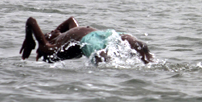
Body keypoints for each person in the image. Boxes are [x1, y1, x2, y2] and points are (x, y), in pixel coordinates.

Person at [20, 17, 153, 64]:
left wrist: (58, 31)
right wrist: (30, 40)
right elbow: (31, 21)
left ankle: (152, 64)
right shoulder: (49, 48)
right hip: (89, 42)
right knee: (104, 58)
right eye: (48, 33)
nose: (53, 31)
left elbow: (70, 20)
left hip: (105, 34)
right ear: (47, 39)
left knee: (141, 46)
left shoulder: (68, 33)